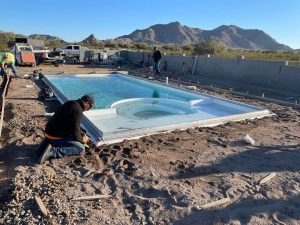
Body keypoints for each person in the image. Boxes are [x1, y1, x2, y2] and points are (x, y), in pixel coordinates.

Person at [38, 95, 95, 164]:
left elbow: (72, 125)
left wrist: (81, 134)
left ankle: (47, 144)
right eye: (90, 107)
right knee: (80, 148)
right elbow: (76, 135)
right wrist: (83, 140)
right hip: (54, 137)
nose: (89, 108)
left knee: (76, 137)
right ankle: (52, 152)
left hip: (48, 133)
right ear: (87, 104)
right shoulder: (78, 111)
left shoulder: (70, 103)